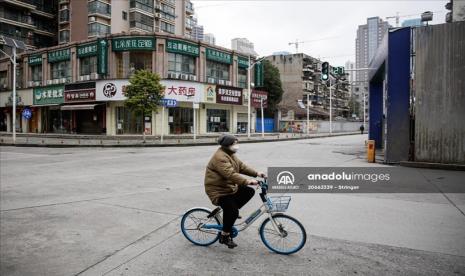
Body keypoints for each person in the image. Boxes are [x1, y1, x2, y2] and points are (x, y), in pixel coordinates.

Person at [204, 134, 266, 249]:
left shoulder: (230, 154)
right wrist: (247, 181)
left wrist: (257, 173)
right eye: (234, 143)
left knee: (248, 192)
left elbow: (241, 166)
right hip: (218, 191)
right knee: (232, 210)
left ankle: (231, 213)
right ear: (227, 145)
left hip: (228, 188)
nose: (237, 145)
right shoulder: (220, 157)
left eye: (237, 143)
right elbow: (230, 174)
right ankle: (224, 235)